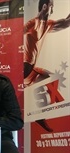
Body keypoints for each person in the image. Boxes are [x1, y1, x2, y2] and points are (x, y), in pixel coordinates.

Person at [24, 0, 70, 132]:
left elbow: (66, 22)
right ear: (44, 7)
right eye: (51, 7)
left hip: (31, 69)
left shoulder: (47, 24)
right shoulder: (32, 23)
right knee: (50, 79)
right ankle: (38, 113)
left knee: (52, 78)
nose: (53, 11)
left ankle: (39, 113)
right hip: (25, 71)